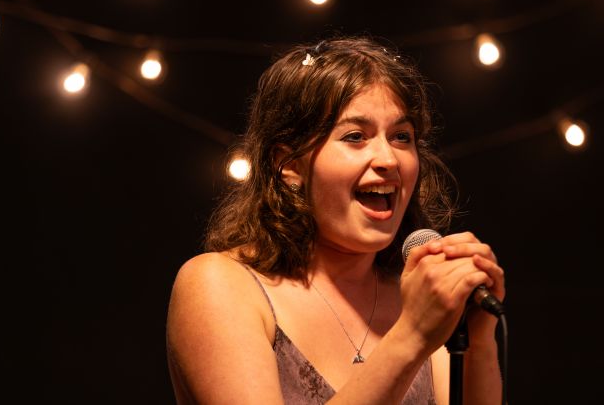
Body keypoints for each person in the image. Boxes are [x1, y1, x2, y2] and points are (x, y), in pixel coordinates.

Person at [166, 37, 504, 404]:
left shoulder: (415, 296)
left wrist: (478, 339)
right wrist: (412, 335)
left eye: (401, 137)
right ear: (289, 165)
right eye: (356, 136)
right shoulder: (218, 284)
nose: (388, 159)